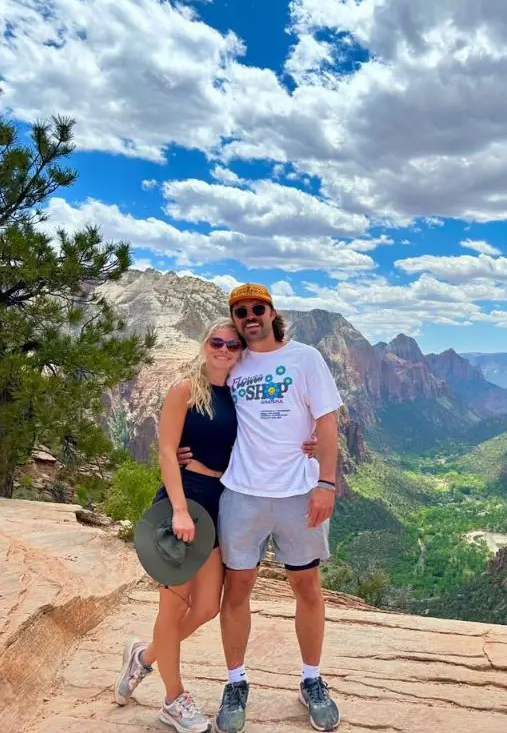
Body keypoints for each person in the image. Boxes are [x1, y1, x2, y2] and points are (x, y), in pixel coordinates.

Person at [113, 318, 316, 732]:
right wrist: (179, 511)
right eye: (216, 342)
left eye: (232, 344)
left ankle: (145, 657)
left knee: (206, 607)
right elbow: (168, 453)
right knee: (173, 607)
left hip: (223, 503)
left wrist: (305, 440)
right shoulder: (185, 389)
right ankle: (173, 699)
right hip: (184, 502)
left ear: (241, 350)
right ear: (205, 344)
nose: (224, 349)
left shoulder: (239, 392)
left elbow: (269, 429)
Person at [179, 283, 343, 733]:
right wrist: (180, 451)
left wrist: (326, 483)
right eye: (240, 311)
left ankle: (311, 679)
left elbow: (328, 423)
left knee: (307, 588)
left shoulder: (306, 358)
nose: (249, 316)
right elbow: (198, 405)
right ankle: (236, 682)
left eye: (257, 308)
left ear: (272, 313)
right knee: (238, 590)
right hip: (242, 494)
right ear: (234, 319)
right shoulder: (231, 361)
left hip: (297, 493)